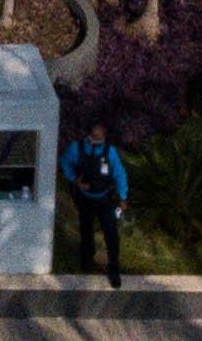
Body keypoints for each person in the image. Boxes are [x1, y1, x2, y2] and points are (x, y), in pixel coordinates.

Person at [63, 120, 128, 287]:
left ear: (105, 136)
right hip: (85, 198)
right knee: (86, 230)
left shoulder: (110, 152)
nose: (96, 139)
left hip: (105, 199)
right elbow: (64, 162)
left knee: (111, 234)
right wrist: (74, 180)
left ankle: (113, 267)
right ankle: (87, 259)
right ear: (89, 133)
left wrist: (122, 197)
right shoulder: (76, 148)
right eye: (93, 136)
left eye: (100, 137)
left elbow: (119, 174)